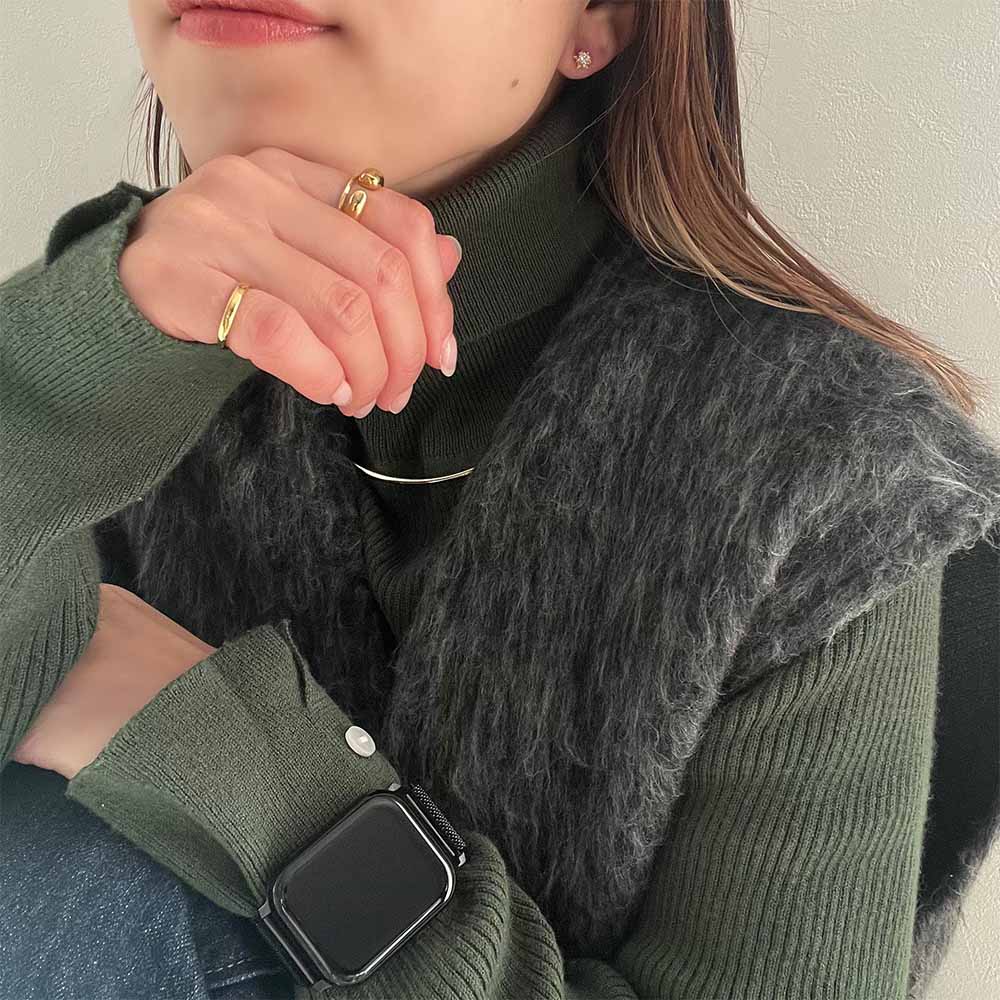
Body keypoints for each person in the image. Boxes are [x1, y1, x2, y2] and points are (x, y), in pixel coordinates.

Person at [2, 2, 999, 998]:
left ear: (600, 13)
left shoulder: (823, 480)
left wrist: (232, 760)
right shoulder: (88, 356)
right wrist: (55, 375)